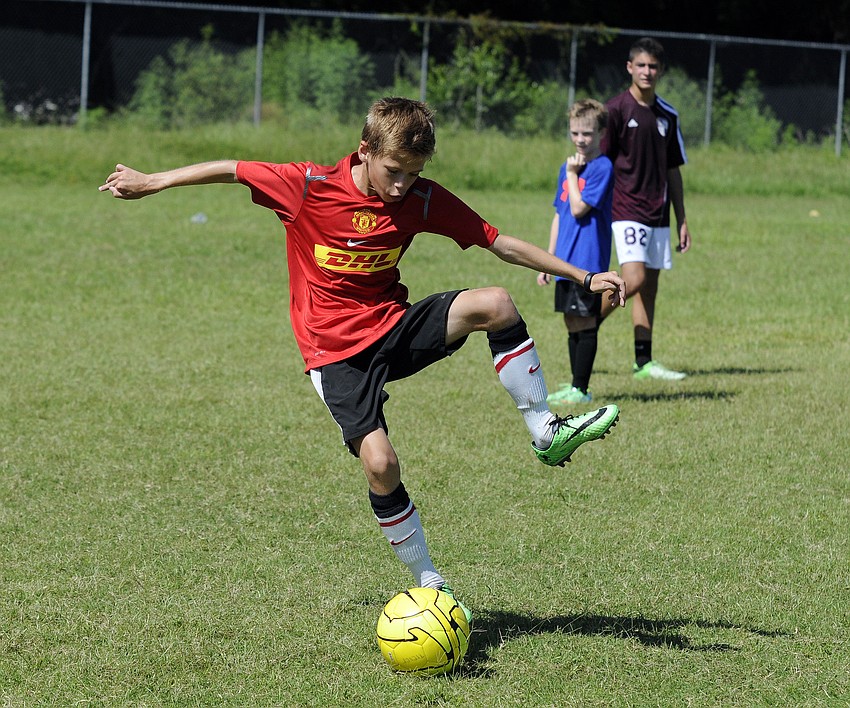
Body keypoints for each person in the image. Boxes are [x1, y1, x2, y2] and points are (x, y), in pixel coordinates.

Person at [99, 97, 625, 622]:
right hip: (333, 354)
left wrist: (583, 275)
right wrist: (153, 181)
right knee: (380, 464)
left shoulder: (418, 198)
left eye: (414, 174)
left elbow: (497, 242)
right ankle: (430, 583)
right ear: (365, 150)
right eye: (394, 171)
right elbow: (233, 168)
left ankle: (545, 430)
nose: (402, 185)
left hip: (390, 326)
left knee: (496, 303)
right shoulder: (308, 186)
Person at [600, 36, 692, 381]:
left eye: (653, 66)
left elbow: (673, 170)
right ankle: (585, 326)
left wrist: (681, 218)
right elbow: (602, 163)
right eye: (641, 65)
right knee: (633, 279)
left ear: (660, 70)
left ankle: (644, 362)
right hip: (626, 209)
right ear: (629, 68)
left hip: (659, 212)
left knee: (649, 287)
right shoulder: (616, 110)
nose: (647, 71)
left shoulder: (668, 114)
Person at [538, 98, 614, 405]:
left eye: (587, 133)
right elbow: (560, 214)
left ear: (601, 133)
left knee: (585, 320)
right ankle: (575, 385)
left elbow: (580, 208)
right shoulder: (566, 168)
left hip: (587, 260)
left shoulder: (601, 167)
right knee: (571, 320)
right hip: (565, 259)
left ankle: (581, 388)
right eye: (575, 133)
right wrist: (548, 259)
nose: (581, 140)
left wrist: (572, 174)